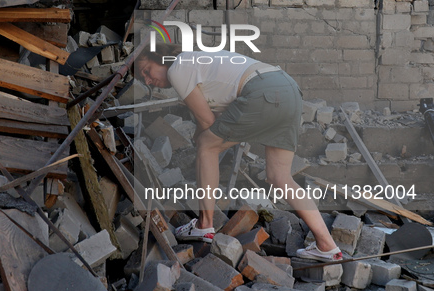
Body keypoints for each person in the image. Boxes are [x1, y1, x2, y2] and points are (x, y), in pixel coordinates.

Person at [134, 44, 343, 262]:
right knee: (279, 177)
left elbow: (207, 122)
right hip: (287, 88)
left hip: (263, 91)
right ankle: (327, 245)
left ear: (161, 58)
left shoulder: (177, 68)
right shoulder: (198, 62)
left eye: (147, 71)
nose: (148, 81)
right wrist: (203, 135)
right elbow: (209, 116)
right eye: (143, 79)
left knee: (207, 146)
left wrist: (202, 144)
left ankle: (204, 225)